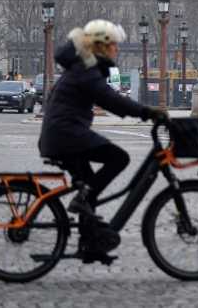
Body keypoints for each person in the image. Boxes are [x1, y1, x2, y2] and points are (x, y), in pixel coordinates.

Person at [38, 19, 166, 256]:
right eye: (114, 45)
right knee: (119, 158)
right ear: (101, 47)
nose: (117, 49)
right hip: (66, 135)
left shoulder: (83, 67)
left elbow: (106, 97)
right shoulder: (86, 69)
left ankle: (90, 243)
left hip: (63, 135)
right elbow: (109, 98)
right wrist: (146, 112)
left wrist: (139, 112)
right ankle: (84, 212)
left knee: (89, 190)